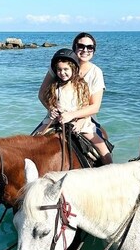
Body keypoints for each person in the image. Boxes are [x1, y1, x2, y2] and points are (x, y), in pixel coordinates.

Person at [38, 33, 113, 165]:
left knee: (103, 150)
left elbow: (94, 107)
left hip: (84, 116)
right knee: (32, 141)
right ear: (74, 47)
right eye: (81, 46)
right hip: (56, 117)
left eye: (90, 47)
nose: (85, 50)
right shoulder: (58, 65)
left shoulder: (95, 73)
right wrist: (51, 109)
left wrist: (73, 116)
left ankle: (111, 172)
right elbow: (42, 93)